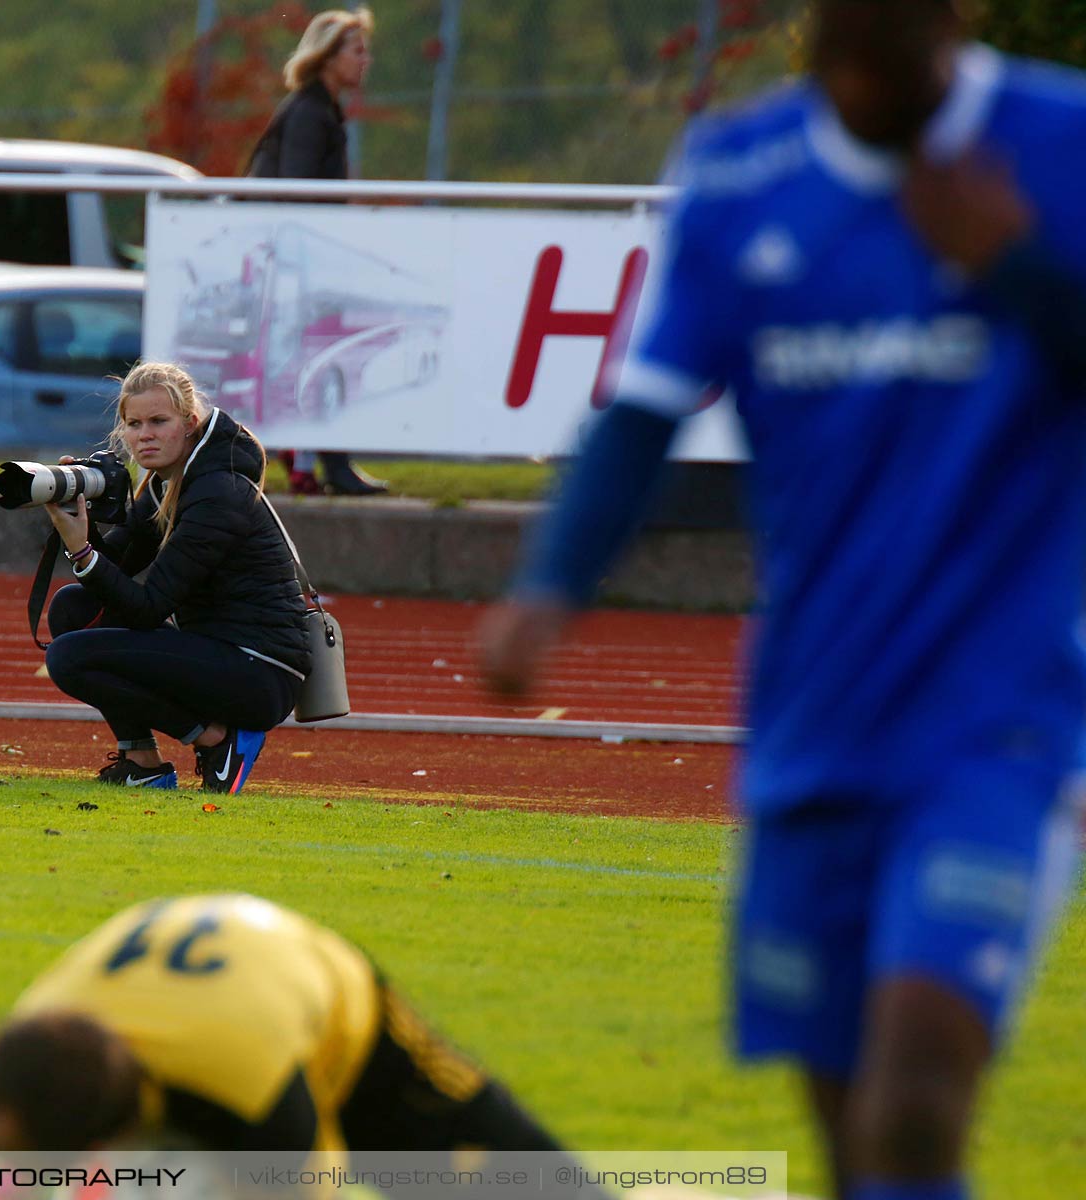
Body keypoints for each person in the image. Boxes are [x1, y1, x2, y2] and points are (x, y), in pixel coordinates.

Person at [479, 4, 1086, 1198]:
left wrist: (1015, 265)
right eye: (838, 56)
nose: (856, 84)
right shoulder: (741, 172)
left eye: (886, 57)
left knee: (916, 1109)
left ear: (943, 26)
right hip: (816, 726)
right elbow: (646, 409)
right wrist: (548, 590)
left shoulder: (1057, 142)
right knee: (853, 1134)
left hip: (998, 725)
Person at [0, 893, 605, 1194]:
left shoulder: (249, 1086)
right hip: (212, 997)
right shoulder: (31, 1047)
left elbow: (305, 1184)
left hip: (335, 1010)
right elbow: (13, 1170)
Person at [41, 361, 308, 795]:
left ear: (189, 424)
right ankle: (142, 764)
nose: (144, 434)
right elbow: (118, 568)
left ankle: (218, 738)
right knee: (75, 607)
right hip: (219, 651)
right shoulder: (169, 483)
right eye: (134, 423)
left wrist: (81, 550)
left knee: (69, 658)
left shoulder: (218, 492)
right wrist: (77, 517)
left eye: (158, 421)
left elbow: (148, 607)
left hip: (259, 671)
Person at [244, 6, 388, 499]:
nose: (365, 60)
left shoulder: (319, 109)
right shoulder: (308, 112)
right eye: (357, 50)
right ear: (328, 57)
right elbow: (296, 194)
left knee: (318, 359)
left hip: (298, 265)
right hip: (294, 268)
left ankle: (318, 462)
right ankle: (325, 463)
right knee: (326, 354)